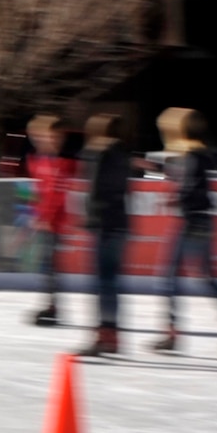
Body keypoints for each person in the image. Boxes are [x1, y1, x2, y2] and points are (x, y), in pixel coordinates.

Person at [153, 108, 217, 353]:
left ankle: (172, 332)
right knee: (205, 277)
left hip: (192, 221)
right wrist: (159, 170)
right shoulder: (198, 154)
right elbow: (189, 179)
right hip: (203, 220)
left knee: (168, 276)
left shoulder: (193, 156)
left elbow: (191, 185)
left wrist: (178, 198)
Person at [76, 113, 133, 358]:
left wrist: (90, 218)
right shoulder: (124, 154)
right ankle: (111, 334)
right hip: (120, 221)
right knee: (111, 281)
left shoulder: (100, 153)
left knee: (104, 282)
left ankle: (105, 335)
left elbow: (95, 188)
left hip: (104, 223)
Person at [26, 116, 79, 327]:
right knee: (47, 266)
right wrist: (35, 215)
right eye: (48, 136)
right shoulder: (38, 161)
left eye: (56, 137)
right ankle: (51, 304)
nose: (53, 141)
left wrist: (46, 219)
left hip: (55, 223)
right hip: (44, 222)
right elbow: (37, 193)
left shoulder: (64, 163)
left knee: (51, 266)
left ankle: (53, 306)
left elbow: (58, 195)